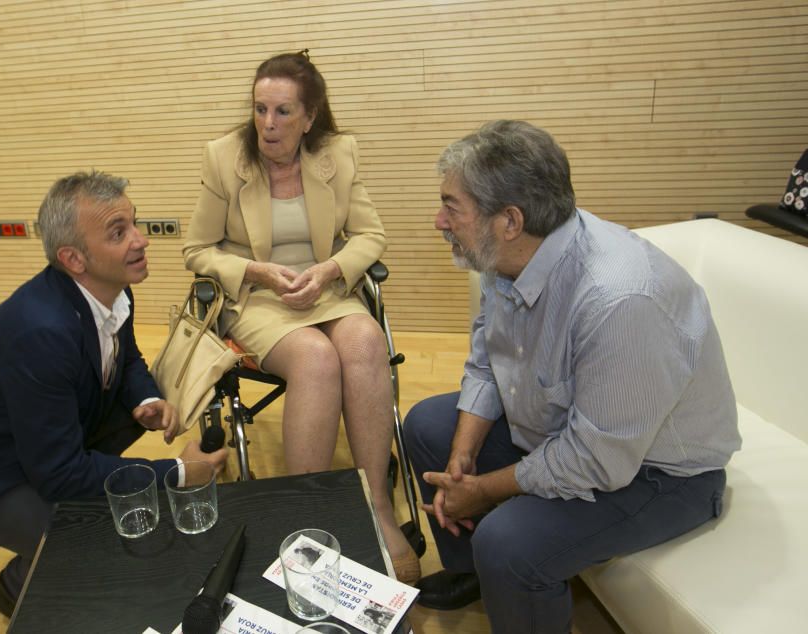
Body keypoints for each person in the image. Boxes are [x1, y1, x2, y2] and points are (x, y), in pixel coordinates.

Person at [404, 120, 741, 631]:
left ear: (509, 220)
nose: (438, 220)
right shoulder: (510, 255)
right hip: (567, 430)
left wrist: (483, 490)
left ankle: (508, 571)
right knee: (430, 425)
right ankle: (480, 574)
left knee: (509, 543)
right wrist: (461, 459)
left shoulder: (621, 300)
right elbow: (487, 360)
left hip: (661, 474)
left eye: (452, 206)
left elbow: (596, 460)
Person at [0, 171, 229, 618]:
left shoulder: (111, 287)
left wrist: (144, 398)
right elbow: (59, 475)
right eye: (119, 232)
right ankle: (21, 583)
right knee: (102, 536)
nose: (141, 240)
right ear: (73, 258)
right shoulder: (40, 331)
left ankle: (45, 553)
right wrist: (178, 472)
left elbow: (126, 355)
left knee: (113, 511)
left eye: (135, 223)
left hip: (32, 443)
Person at [183, 51, 420, 584]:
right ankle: (307, 517)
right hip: (258, 297)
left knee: (362, 342)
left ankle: (377, 506)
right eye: (260, 109)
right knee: (315, 359)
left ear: (310, 117)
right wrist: (257, 272)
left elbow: (370, 235)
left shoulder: (337, 154)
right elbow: (197, 250)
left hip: (325, 285)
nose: (268, 124)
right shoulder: (224, 159)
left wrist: (332, 267)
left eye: (284, 112)